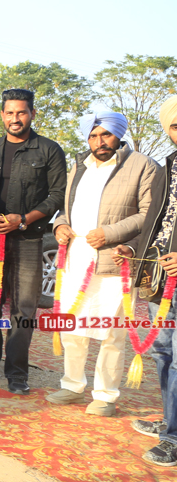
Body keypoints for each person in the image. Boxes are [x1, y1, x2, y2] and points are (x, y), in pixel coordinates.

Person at [46, 112, 158, 416]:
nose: (99, 142)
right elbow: (66, 208)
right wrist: (60, 225)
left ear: (118, 135)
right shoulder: (79, 165)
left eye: (106, 134)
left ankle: (106, 396)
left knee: (111, 331)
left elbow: (149, 214)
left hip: (115, 260)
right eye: (93, 136)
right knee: (72, 327)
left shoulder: (143, 165)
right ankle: (72, 385)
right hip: (76, 258)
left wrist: (111, 233)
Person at [0, 89, 66, 395]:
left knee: (24, 309)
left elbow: (56, 196)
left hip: (29, 238)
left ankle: (17, 373)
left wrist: (23, 219)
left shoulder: (49, 150)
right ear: (2, 115)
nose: (15, 118)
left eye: (21, 112)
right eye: (10, 113)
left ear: (32, 114)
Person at [127, 96, 177, 466]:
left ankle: (173, 438)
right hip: (159, 276)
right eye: (175, 125)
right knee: (163, 353)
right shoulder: (168, 165)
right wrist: (134, 249)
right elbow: (155, 222)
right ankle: (171, 421)